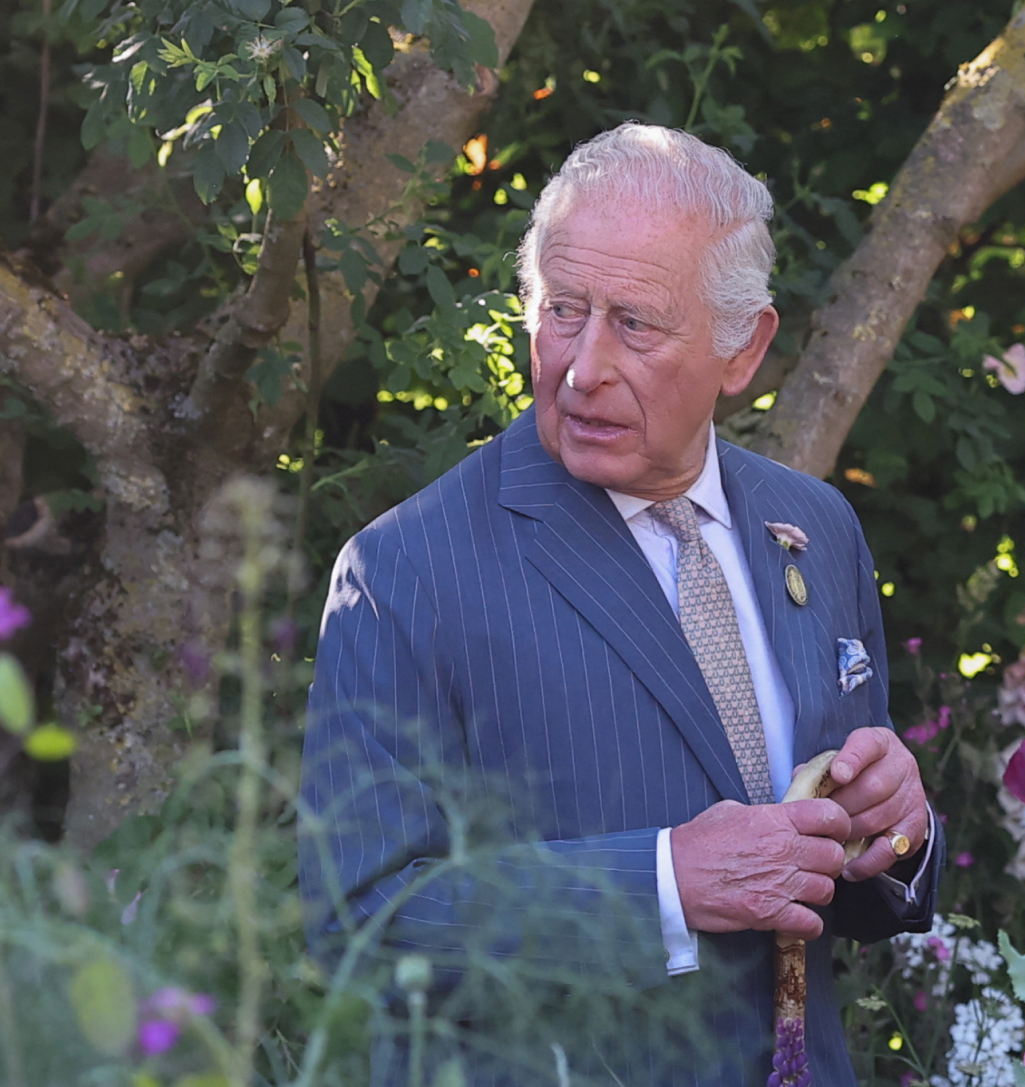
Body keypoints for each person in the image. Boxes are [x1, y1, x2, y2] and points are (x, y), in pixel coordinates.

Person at [300, 122, 940, 1087]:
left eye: (635, 322)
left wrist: (896, 835)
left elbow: (831, 861)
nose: (583, 365)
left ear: (744, 348)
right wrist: (663, 884)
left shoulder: (815, 525)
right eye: (564, 310)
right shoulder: (406, 570)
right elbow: (361, 922)